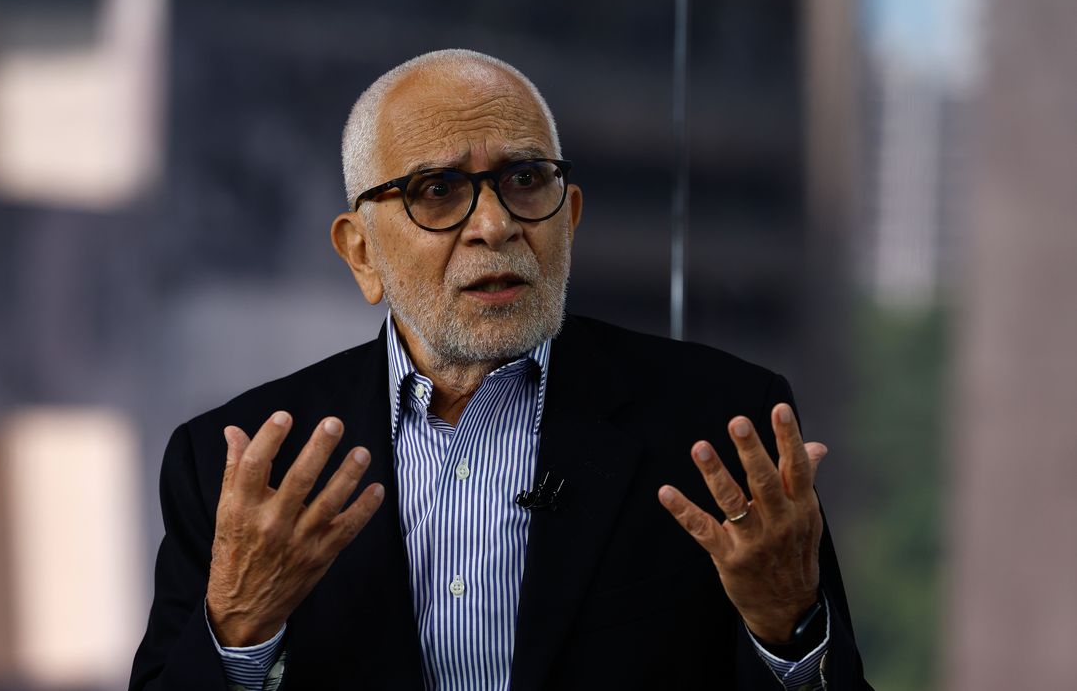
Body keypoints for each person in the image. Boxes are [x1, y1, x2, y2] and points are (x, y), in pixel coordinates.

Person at [129, 49, 870, 690]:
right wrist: (239, 629)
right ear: (361, 251)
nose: (495, 225)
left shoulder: (720, 422)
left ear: (568, 218)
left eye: (524, 179)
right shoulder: (236, 465)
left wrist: (788, 629)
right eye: (437, 191)